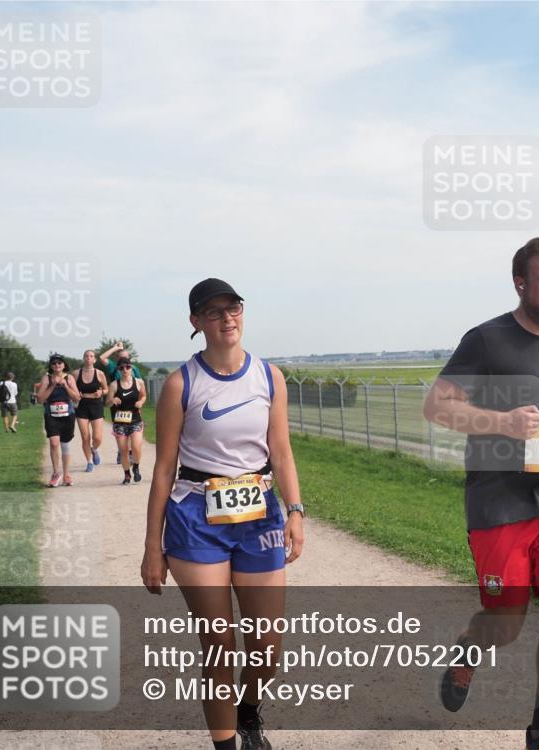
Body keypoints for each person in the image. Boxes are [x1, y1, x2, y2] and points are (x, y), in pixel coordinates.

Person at [423, 238, 539, 750]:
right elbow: (437, 406)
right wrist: (499, 421)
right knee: (506, 623)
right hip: (498, 503)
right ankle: (468, 652)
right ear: (521, 283)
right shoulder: (485, 340)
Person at [140, 278, 305, 750]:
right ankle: (226, 743)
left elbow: (282, 451)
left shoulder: (269, 377)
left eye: (232, 308)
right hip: (196, 518)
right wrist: (153, 548)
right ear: (196, 322)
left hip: (259, 517)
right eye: (213, 312)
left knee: (266, 648)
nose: (226, 317)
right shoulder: (180, 384)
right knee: (218, 645)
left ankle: (248, 714)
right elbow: (163, 469)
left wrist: (295, 511)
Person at [36, 354, 82, 487]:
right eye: (54, 363)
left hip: (67, 415)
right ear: (51, 366)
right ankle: (56, 473)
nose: (57, 365)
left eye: (59, 363)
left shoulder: (69, 378)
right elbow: (40, 399)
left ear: (64, 364)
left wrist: (66, 386)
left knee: (65, 444)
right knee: (54, 443)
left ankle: (67, 474)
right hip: (51, 415)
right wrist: (52, 386)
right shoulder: (46, 378)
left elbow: (77, 398)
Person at [106, 356, 147, 484]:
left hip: (135, 419)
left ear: (131, 368)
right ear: (118, 370)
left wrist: (141, 402)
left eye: (127, 367)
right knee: (123, 450)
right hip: (120, 422)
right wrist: (112, 400)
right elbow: (106, 403)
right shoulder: (114, 385)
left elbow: (144, 395)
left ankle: (136, 466)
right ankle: (127, 474)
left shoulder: (139, 382)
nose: (125, 370)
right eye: (122, 368)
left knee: (136, 446)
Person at [100, 341, 142, 463]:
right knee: (121, 428)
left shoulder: (134, 369)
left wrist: (140, 402)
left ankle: (128, 452)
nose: (124, 367)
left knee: (132, 428)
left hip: (132, 403)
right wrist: (114, 348)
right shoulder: (113, 366)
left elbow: (140, 385)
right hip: (117, 404)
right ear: (117, 358)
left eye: (126, 358)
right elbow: (102, 357)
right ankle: (122, 450)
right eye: (121, 357)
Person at [74, 349, 108, 472]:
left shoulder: (100, 374)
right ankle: (89, 462)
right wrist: (75, 393)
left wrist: (101, 392)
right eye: (86, 356)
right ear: (83, 358)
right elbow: (71, 389)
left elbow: (106, 389)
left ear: (94, 359)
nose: (89, 358)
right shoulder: (76, 374)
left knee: (97, 437)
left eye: (91, 356)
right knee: (85, 437)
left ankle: (94, 449)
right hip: (81, 406)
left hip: (96, 405)